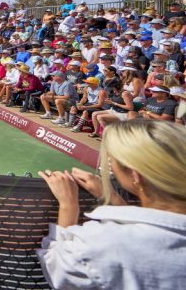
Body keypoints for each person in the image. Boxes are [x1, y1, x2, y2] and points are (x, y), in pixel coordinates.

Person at [38, 120, 186, 289]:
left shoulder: (103, 242)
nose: (110, 166)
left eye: (112, 162)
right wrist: (113, 198)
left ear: (135, 176)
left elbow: (58, 270)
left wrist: (68, 204)